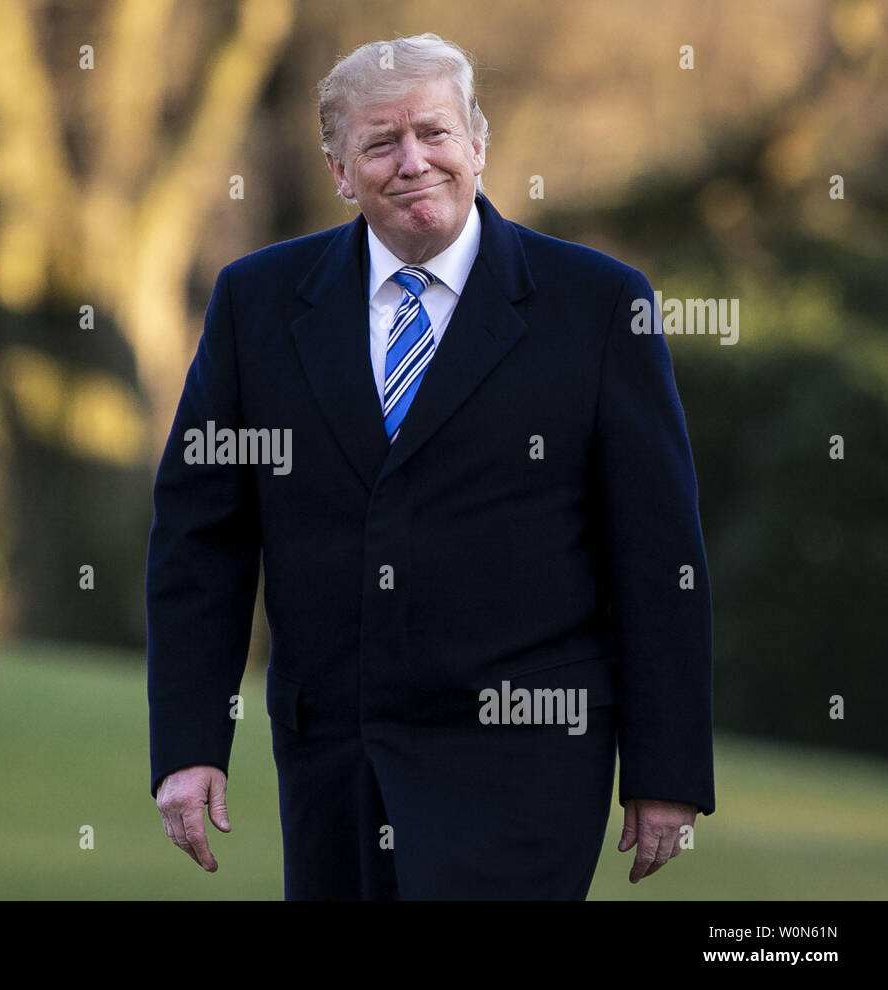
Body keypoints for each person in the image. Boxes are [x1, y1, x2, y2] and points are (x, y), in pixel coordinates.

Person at [146, 32, 714, 899]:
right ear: (339, 169)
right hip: (335, 760)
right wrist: (189, 746)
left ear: (478, 144)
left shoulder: (597, 306)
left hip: (525, 758)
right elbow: (200, 543)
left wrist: (665, 765)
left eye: (435, 134)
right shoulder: (255, 304)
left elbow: (658, 550)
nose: (414, 161)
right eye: (381, 142)